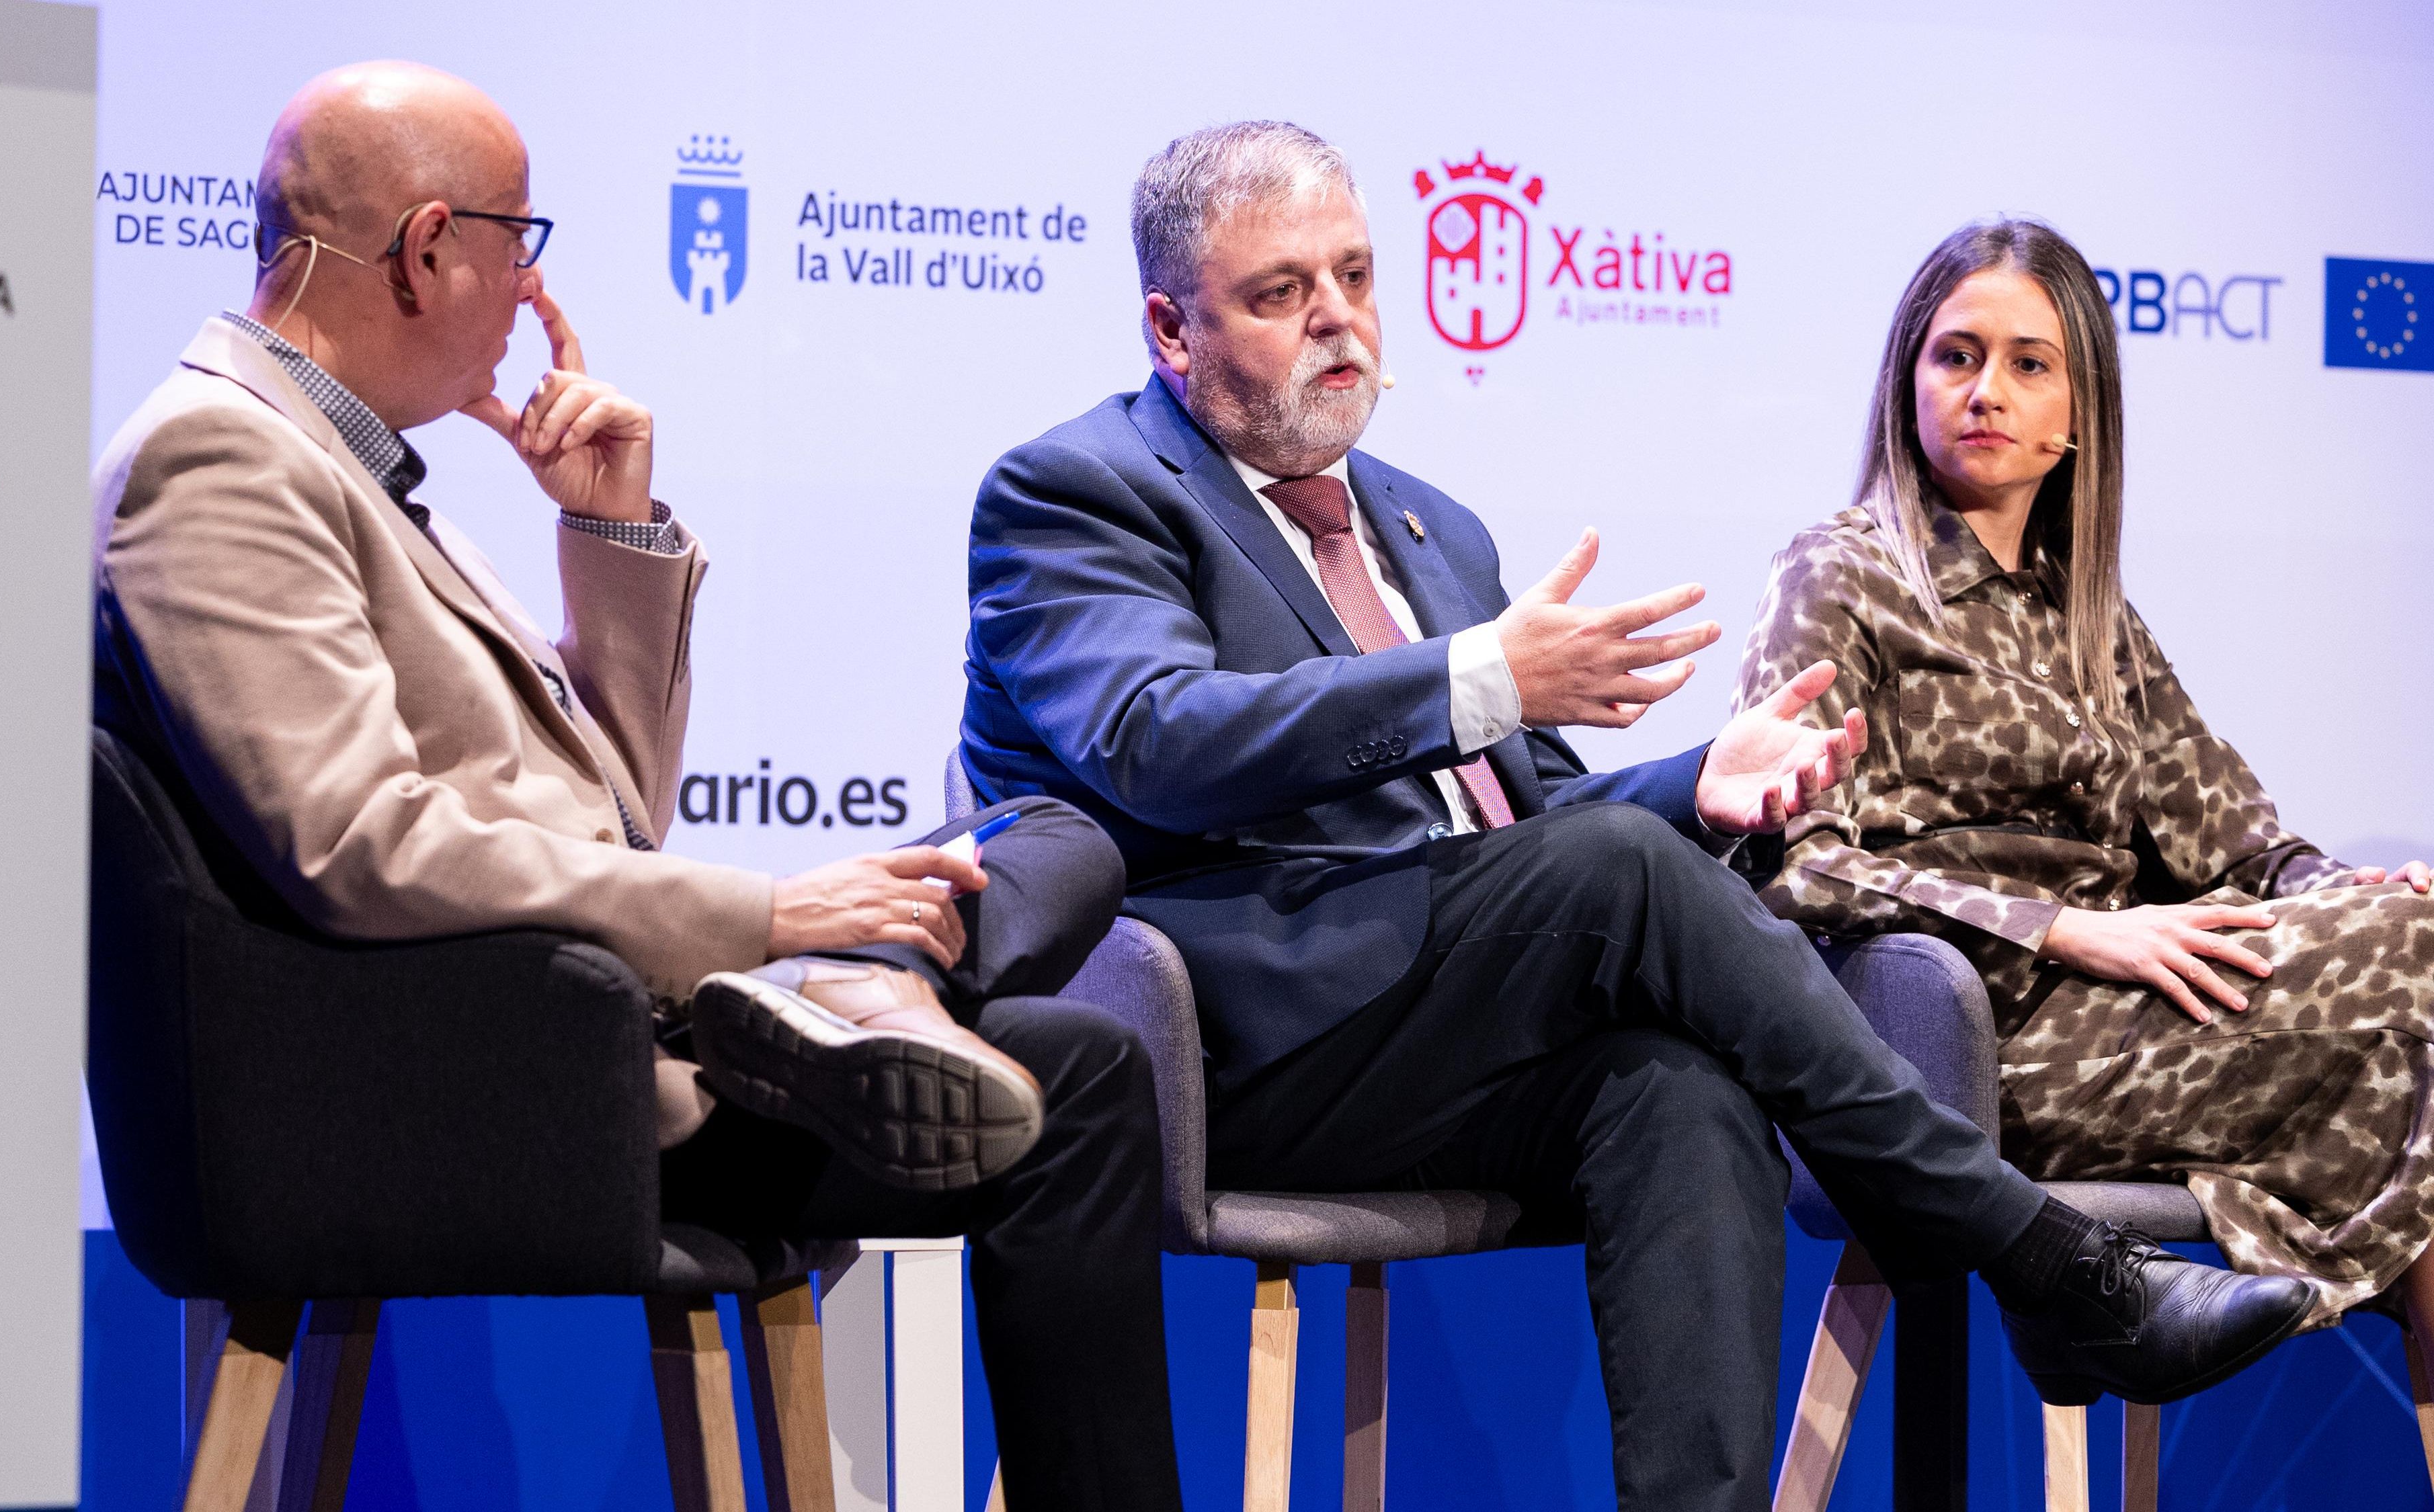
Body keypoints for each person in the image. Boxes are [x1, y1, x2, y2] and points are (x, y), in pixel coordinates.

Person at [959, 120, 2312, 1509]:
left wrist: (1696, 783)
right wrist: (1479, 677)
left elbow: (1527, 819)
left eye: (1356, 278)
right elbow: (1152, 739)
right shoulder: (1078, 492)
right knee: (1606, 872)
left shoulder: (1425, 528)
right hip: (1236, 1041)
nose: (1339, 323)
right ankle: (2043, 1263)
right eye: (1279, 295)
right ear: (1169, 329)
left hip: (1437, 1024)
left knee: (1675, 1088)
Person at [91, 62, 1179, 1508]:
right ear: (430, 249)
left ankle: (870, 991)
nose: (529, 293)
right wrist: (770, 912)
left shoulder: (347, 472)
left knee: (1044, 837)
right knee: (1079, 1070)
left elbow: (614, 810)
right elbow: (360, 846)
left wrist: (607, 533)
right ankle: (850, 988)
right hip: (486, 1081)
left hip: (586, 1023)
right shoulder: (220, 455)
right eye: (519, 243)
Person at [1734, 216, 2434, 1332]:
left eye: (2028, 365)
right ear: (1906, 381)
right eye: (1956, 356)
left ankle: (2121, 1328)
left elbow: (2247, 847)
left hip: (2148, 1015)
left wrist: (2352, 888)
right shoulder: (1840, 574)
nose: (1986, 391)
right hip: (1974, 1052)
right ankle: (2108, 1326)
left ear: (2078, 413)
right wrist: (2063, 927)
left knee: (2418, 1014)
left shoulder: (2095, 616)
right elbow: (1796, 868)